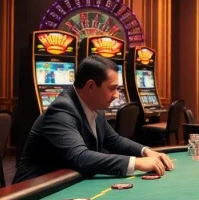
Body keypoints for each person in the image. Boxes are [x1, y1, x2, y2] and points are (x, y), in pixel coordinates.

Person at [13, 55, 174, 183]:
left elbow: (114, 140)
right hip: (33, 191)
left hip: (65, 181)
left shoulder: (95, 109)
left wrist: (146, 151)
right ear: (91, 86)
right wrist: (137, 163)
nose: (117, 95)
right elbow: (80, 157)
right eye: (112, 88)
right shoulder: (61, 110)